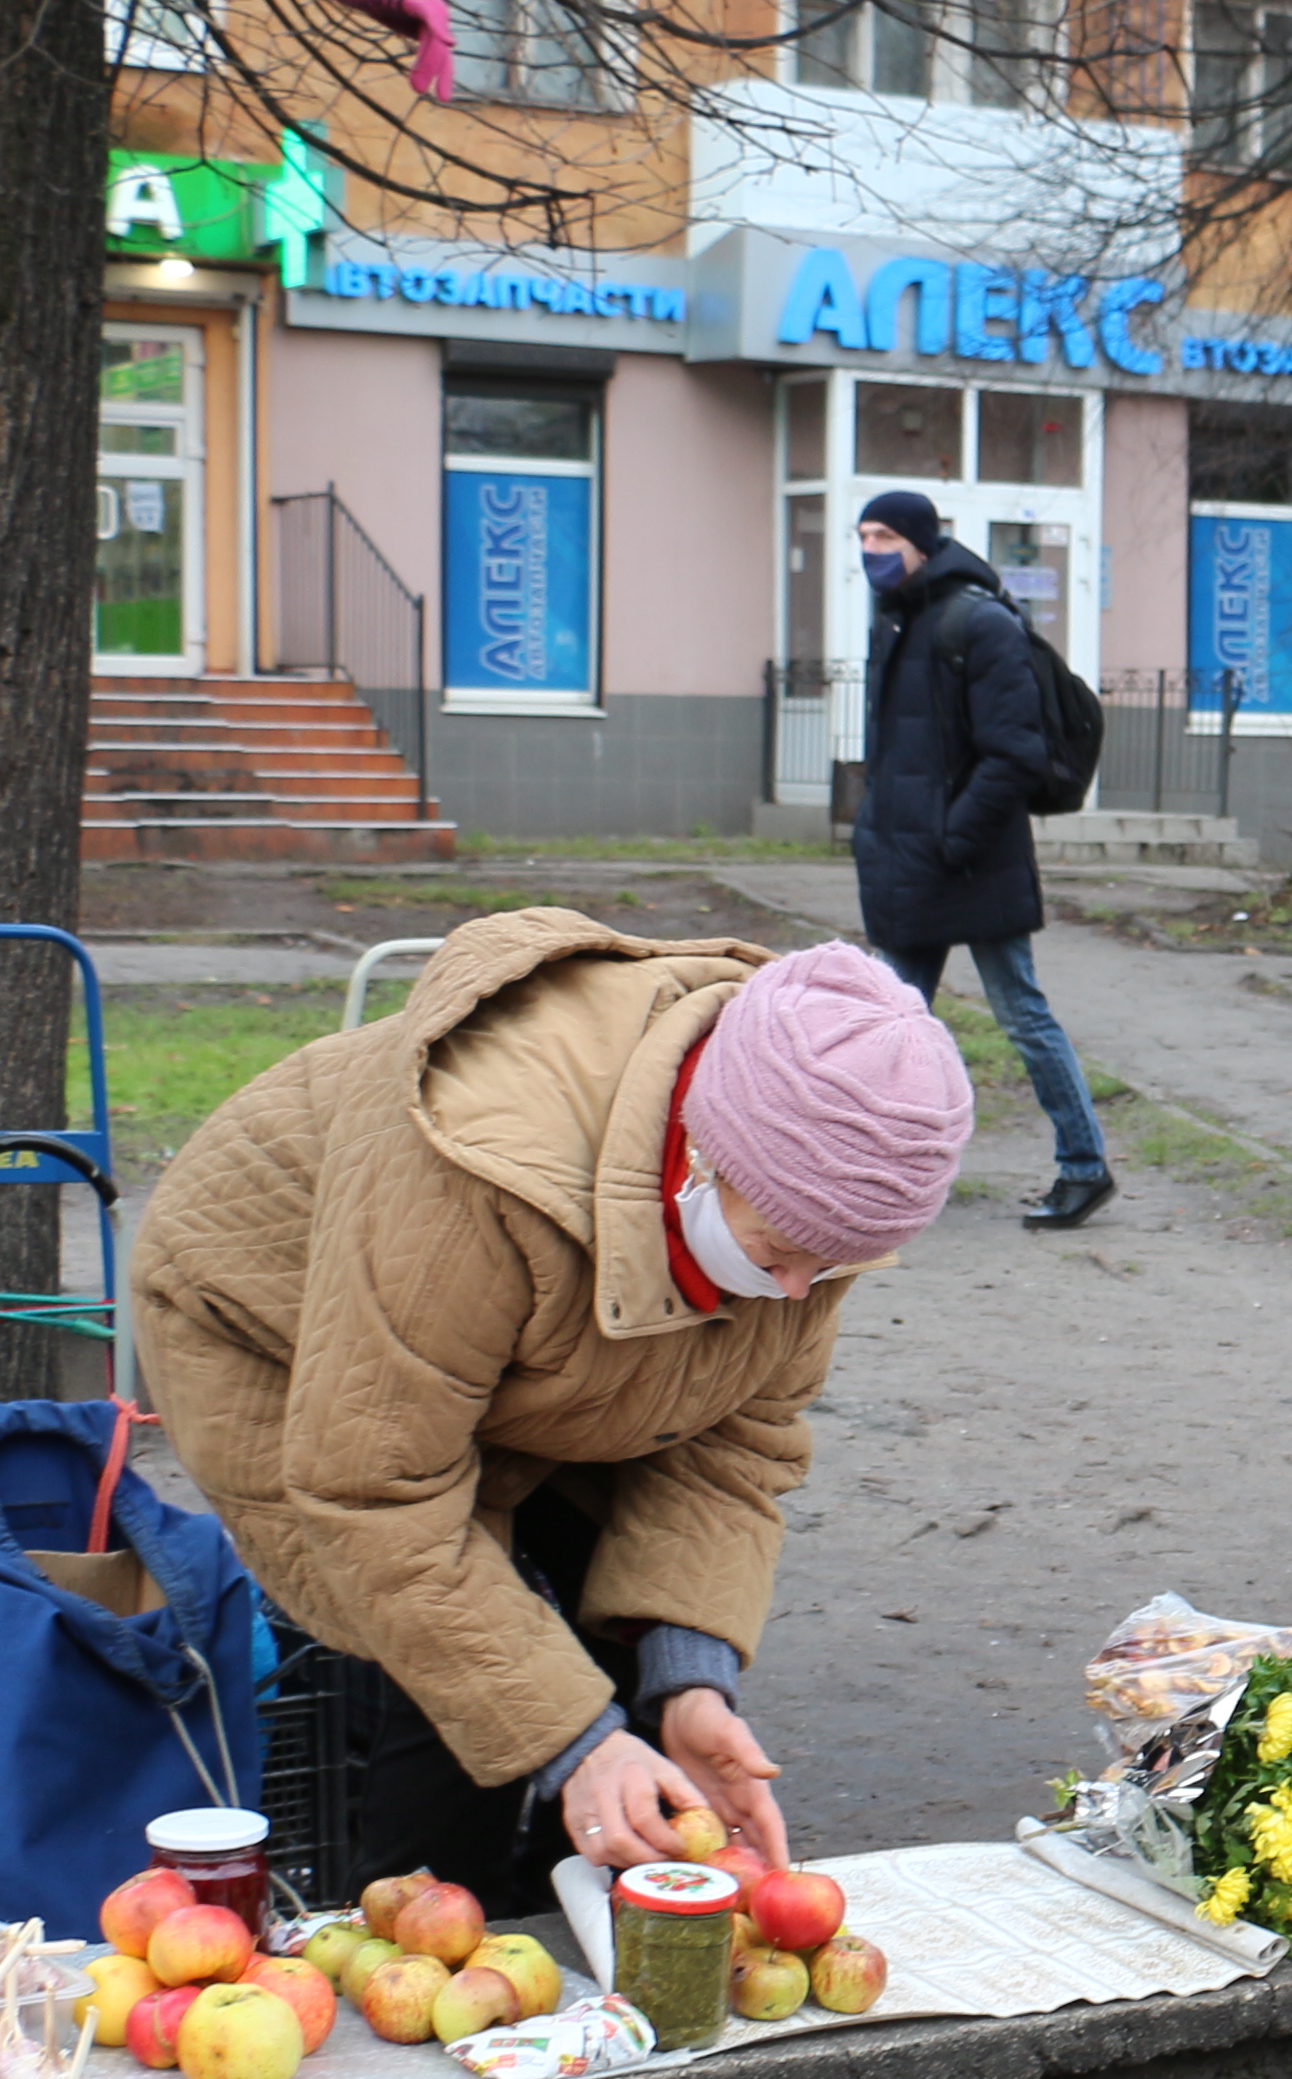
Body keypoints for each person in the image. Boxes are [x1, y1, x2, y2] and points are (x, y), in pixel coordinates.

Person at [131, 923, 970, 1892]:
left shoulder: (825, 1202)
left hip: (547, 1352)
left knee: (605, 1651)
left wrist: (689, 1674)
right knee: (457, 1680)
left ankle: (578, 1914)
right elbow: (379, 1490)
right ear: (705, 1148)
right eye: (779, 1253)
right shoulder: (483, 1165)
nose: (794, 1292)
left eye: (830, 1268)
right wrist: (574, 1738)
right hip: (285, 1340)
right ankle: (427, 1932)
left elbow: (735, 1441)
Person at [850, 489, 1113, 1230]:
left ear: (921, 543)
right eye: (862, 534)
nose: (870, 548)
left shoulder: (979, 622)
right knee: (889, 1025)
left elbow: (1013, 754)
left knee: (1022, 1014)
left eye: (883, 535)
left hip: (968, 859)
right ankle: (875, 1170)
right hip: (911, 860)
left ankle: (1085, 1168)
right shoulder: (898, 616)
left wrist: (951, 838)